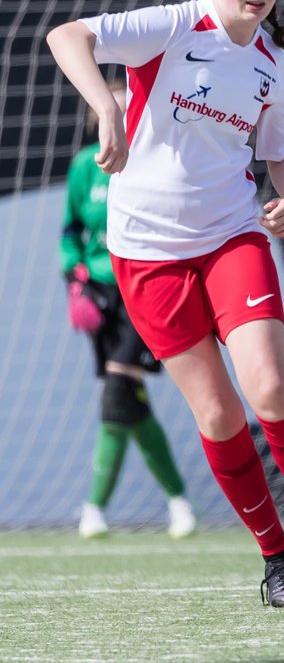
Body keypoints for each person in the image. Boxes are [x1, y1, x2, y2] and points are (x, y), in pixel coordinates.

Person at [46, 0, 284, 608]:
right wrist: (106, 105)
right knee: (221, 416)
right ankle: (276, 559)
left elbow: (283, 154)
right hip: (147, 256)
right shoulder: (171, 27)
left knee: (269, 389)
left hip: (232, 237)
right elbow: (67, 35)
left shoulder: (271, 64)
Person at [62, 80, 196, 541]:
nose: (117, 115)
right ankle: (179, 502)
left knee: (119, 392)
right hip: (99, 295)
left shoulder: (149, 162)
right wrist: (73, 280)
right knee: (129, 403)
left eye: (126, 107)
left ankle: (94, 509)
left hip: (140, 287)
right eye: (110, 109)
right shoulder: (83, 166)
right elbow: (71, 231)